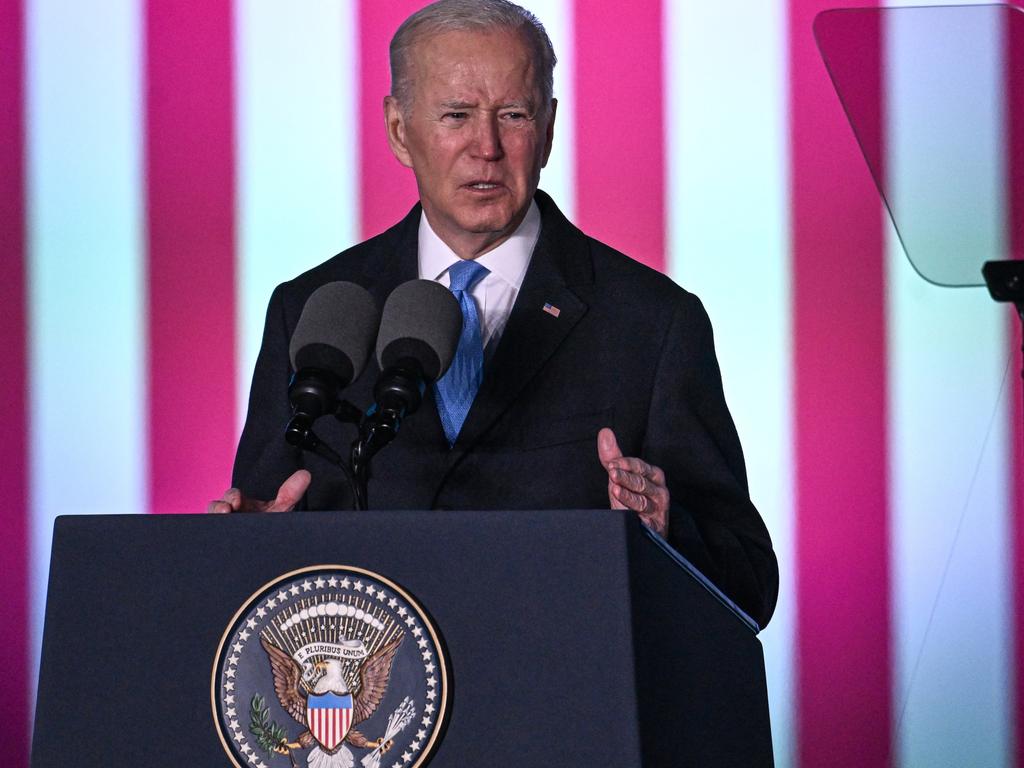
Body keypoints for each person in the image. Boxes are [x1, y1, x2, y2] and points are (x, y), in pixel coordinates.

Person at [210, 0, 778, 628]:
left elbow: (748, 583)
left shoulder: (652, 323)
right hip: (376, 713)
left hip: (566, 706)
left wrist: (665, 530)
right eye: (456, 115)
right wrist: (248, 547)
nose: (487, 147)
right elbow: (261, 532)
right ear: (400, 131)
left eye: (514, 114)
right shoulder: (315, 311)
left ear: (550, 130)